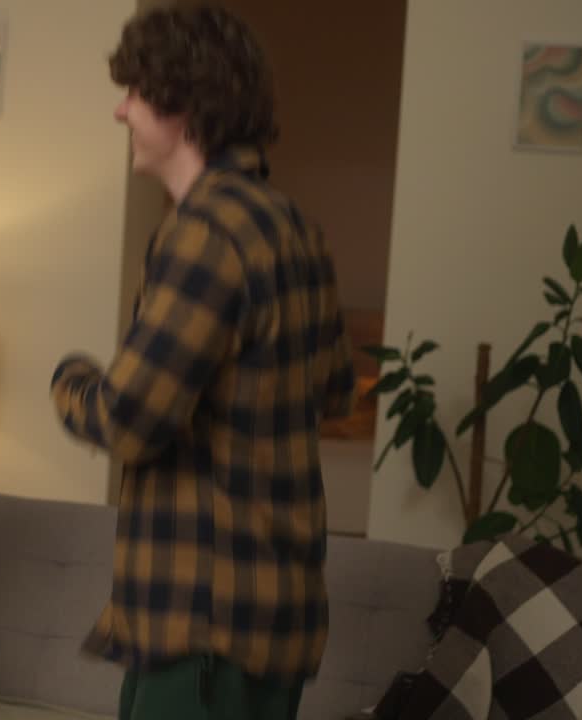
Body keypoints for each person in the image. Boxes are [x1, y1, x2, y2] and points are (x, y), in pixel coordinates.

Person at [49, 4, 355, 719]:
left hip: (202, 622)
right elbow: (336, 392)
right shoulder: (296, 227)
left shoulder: (204, 231)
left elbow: (127, 421)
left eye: (134, 92)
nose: (121, 110)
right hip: (279, 618)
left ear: (182, 105)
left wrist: (69, 378)